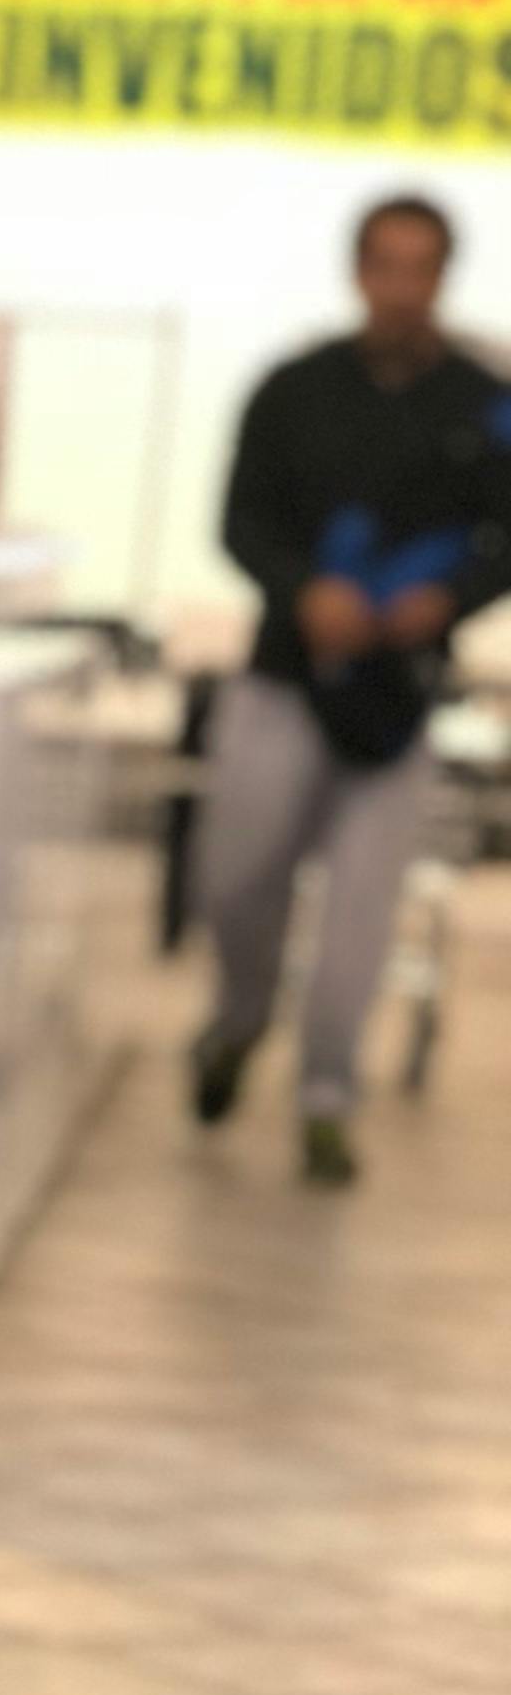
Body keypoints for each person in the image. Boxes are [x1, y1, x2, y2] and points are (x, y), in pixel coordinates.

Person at [191, 193, 511, 1186]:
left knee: (360, 922)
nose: (402, 287)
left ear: (443, 276)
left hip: (397, 701)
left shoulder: (482, 401)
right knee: (237, 883)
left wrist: (445, 598)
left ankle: (328, 1101)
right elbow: (240, 521)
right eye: (387, 265)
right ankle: (236, 1026)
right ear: (360, 271)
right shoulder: (294, 390)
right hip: (286, 680)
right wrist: (304, 590)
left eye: (422, 268)